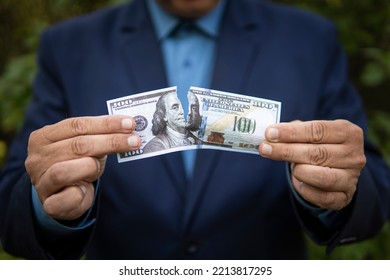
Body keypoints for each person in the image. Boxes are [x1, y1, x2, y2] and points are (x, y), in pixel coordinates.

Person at [0, 0, 389, 260]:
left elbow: (373, 182)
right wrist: (46, 202)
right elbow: (13, 198)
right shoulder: (69, 46)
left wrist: (339, 185)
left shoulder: (310, 39)